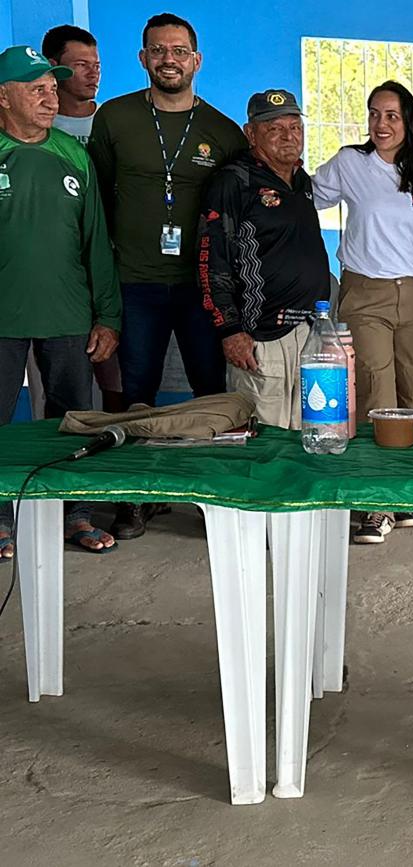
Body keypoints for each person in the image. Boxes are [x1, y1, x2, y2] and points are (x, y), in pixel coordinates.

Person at [88, 13, 246, 539]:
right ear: (143, 58)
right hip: (135, 281)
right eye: (158, 50)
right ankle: (137, 498)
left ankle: (211, 498)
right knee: (137, 392)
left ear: (196, 60)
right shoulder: (115, 118)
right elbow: (97, 200)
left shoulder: (223, 132)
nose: (168, 60)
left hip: (201, 287)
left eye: (179, 51)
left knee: (209, 391)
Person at [0, 45, 121, 555]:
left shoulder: (74, 156)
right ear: (4, 97)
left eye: (53, 89)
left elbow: (97, 243)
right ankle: (1, 520)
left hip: (68, 314)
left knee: (74, 420)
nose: (51, 99)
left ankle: (76, 514)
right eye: (37, 90)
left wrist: (107, 316)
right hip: (4, 318)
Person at [312, 81, 413, 545]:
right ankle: (374, 503)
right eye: (373, 114)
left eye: (391, 116)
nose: (380, 124)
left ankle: (399, 493)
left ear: (409, 122)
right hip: (366, 293)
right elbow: (304, 198)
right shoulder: (350, 163)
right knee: (375, 392)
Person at [197, 90, 329, 429]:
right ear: (251, 134)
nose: (288, 136)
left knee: (310, 432)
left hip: (308, 330)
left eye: (295, 127)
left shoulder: (301, 181)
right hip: (261, 336)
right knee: (264, 436)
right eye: (274, 128)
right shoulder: (234, 181)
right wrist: (230, 330)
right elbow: (212, 262)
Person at [33, 25, 124, 416]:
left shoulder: (114, 123)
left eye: (96, 65)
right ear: (54, 66)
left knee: (116, 377)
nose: (92, 73)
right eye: (81, 65)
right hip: (55, 277)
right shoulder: (36, 131)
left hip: (111, 266)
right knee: (54, 385)